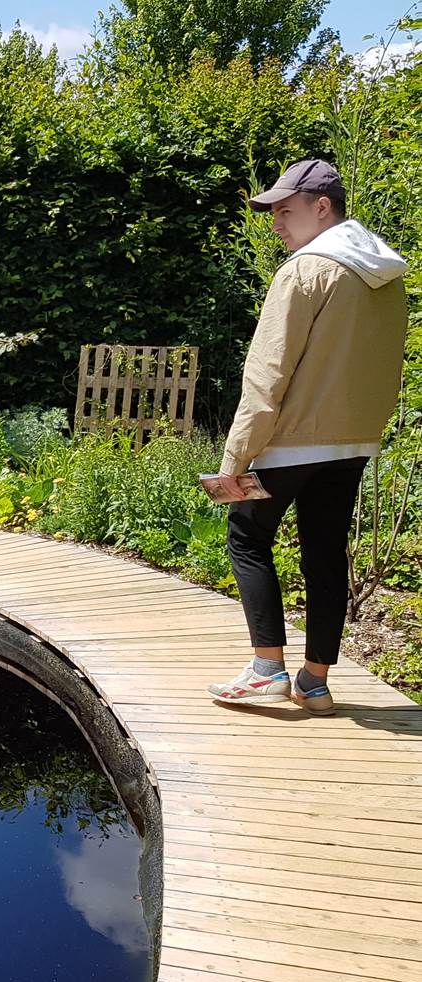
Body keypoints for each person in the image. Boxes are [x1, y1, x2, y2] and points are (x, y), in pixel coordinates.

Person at [207, 158, 409, 714]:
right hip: (352, 443)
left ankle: (267, 668)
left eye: (285, 210)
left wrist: (235, 458)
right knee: (324, 553)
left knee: (247, 535)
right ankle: (315, 681)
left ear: (323, 207)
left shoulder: (306, 271)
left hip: (292, 440)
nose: (275, 222)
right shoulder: (386, 278)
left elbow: (268, 372)